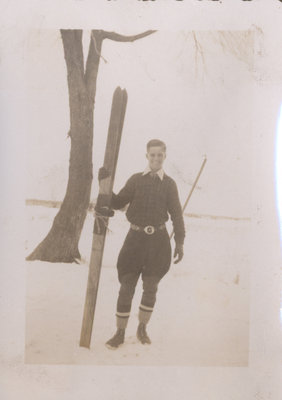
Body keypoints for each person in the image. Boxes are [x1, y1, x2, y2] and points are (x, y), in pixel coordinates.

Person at [97, 139, 185, 349]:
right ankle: (119, 332)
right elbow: (117, 203)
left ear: (165, 156)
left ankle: (142, 329)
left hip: (158, 244)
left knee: (150, 287)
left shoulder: (170, 184)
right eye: (152, 155)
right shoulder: (136, 180)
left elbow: (177, 215)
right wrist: (104, 185)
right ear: (147, 156)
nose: (156, 158)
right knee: (126, 287)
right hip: (134, 242)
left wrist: (180, 242)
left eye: (160, 155)